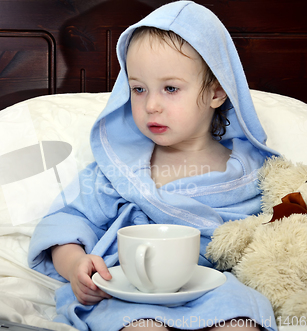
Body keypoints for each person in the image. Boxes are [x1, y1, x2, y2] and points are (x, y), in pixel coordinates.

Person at [28, 1, 278, 330]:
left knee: (242, 318)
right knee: (141, 325)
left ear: (217, 91)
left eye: (170, 88)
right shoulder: (119, 167)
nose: (151, 105)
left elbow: (281, 229)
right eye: (138, 89)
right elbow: (66, 222)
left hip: (214, 286)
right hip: (132, 287)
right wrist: (76, 263)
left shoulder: (252, 170)